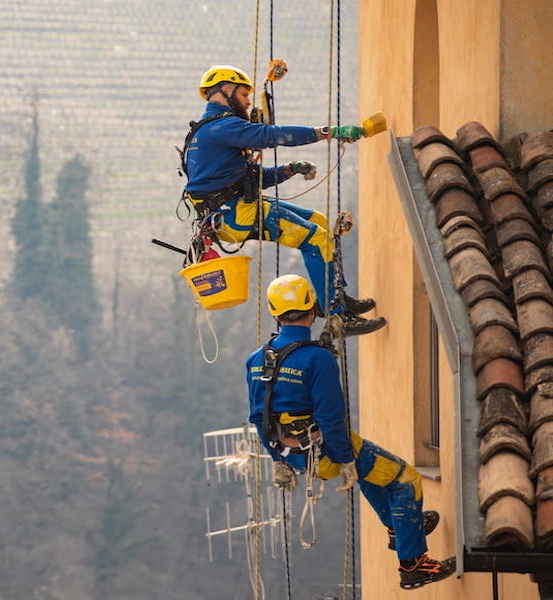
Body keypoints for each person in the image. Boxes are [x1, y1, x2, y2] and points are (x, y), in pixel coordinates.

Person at [245, 274, 454, 590]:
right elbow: (332, 419)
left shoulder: (256, 360)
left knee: (374, 475)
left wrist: (278, 459)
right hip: (327, 450)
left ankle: (401, 528)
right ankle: (414, 565)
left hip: (295, 456)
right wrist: (346, 461)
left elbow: (258, 417)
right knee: (405, 480)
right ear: (313, 309)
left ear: (275, 313)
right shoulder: (319, 359)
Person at [182, 65, 384, 336]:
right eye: (243, 94)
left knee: (317, 222)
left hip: (232, 210)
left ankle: (335, 298)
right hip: (235, 214)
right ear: (225, 90)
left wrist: (288, 170)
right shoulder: (222, 127)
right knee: (316, 239)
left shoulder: (207, 131)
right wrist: (330, 132)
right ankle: (338, 317)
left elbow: (250, 177)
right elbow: (272, 135)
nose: (247, 101)